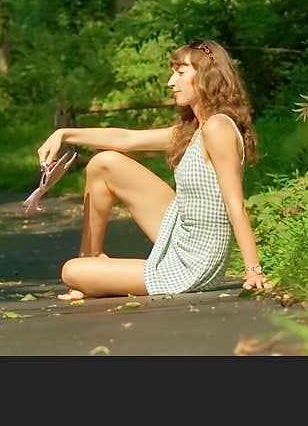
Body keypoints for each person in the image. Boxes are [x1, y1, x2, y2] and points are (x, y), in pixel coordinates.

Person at [36, 39, 271, 301]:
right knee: (105, 163)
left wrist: (253, 271)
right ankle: (93, 260)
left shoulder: (218, 129)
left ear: (208, 77)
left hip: (193, 263)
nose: (171, 82)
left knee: (71, 271)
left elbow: (235, 204)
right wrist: (63, 134)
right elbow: (126, 139)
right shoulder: (194, 131)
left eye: (180, 73)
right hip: (182, 231)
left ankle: (90, 275)